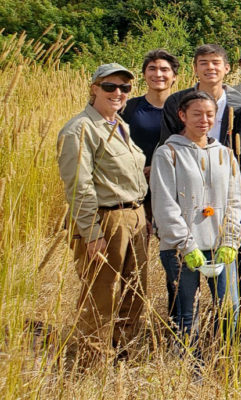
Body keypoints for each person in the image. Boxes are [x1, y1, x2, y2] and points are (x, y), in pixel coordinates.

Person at [57, 63, 148, 362]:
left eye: (125, 88)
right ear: (94, 88)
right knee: (101, 293)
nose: (118, 93)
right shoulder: (80, 129)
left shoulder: (119, 125)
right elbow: (79, 186)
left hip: (134, 215)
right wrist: (92, 233)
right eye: (110, 86)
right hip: (106, 219)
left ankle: (124, 351)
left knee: (135, 290)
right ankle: (92, 360)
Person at [150, 91, 241, 340]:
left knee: (229, 308)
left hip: (220, 245)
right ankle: (190, 368)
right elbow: (164, 205)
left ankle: (221, 363)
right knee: (187, 313)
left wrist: (231, 240)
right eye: (197, 114)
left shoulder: (225, 153)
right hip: (182, 249)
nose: (204, 120)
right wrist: (186, 245)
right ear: (182, 115)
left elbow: (236, 199)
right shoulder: (167, 153)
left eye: (210, 114)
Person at [161, 44, 241, 169]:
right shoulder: (176, 102)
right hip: (185, 169)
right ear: (195, 68)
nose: (210, 67)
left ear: (227, 68)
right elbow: (168, 141)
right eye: (204, 63)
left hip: (224, 170)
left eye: (216, 63)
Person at [120, 49, 179, 228]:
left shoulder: (185, 109)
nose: (158, 74)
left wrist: (158, 167)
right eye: (152, 69)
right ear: (144, 75)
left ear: (174, 76)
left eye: (164, 69)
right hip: (135, 187)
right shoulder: (128, 108)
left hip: (173, 187)